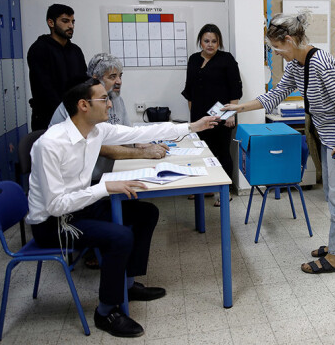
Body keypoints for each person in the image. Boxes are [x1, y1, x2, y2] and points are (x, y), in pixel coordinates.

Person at [26, 78, 219, 337]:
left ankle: (127, 285)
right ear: (83, 105)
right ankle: (106, 311)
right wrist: (106, 187)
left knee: (146, 213)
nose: (109, 103)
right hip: (53, 223)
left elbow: (141, 132)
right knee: (120, 236)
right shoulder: (50, 144)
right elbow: (56, 204)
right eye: (103, 99)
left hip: (81, 207)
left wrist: (193, 126)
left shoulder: (95, 131)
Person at [223, 12, 335, 274]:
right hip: (325, 134)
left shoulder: (321, 63)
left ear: (289, 40)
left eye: (276, 47)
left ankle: (334, 257)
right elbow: (276, 95)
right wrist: (238, 107)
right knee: (332, 193)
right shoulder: (295, 66)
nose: (275, 53)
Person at [50, 53, 169, 182]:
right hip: (83, 182)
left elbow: (124, 133)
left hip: (109, 173)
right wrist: (143, 153)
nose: (119, 81)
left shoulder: (116, 99)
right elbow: (99, 147)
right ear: (96, 79)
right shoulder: (81, 103)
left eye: (120, 76)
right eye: (113, 77)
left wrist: (139, 144)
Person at [182, 24, 242, 206]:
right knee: (201, 153)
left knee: (221, 152)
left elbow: (236, 89)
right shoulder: (193, 59)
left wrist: (231, 114)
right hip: (199, 117)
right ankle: (205, 188)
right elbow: (189, 90)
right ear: (200, 41)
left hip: (221, 116)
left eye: (214, 41)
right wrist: (193, 117)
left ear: (219, 42)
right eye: (206, 41)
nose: (210, 44)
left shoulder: (226, 59)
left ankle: (224, 193)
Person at [27, 3, 87, 131]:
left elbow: (83, 83)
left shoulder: (76, 51)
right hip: (48, 118)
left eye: (72, 22)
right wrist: (65, 113)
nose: (71, 26)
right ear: (51, 22)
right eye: (65, 21)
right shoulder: (39, 49)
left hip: (76, 117)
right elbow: (44, 90)